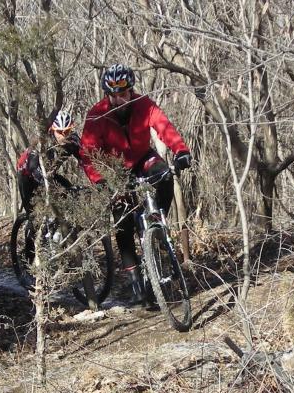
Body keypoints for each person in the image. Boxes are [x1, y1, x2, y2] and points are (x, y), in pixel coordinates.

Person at [79, 64, 192, 302]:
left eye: (124, 93)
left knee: (164, 175)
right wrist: (100, 180)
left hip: (142, 158)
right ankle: (135, 283)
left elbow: (164, 126)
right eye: (114, 95)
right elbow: (87, 154)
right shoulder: (96, 114)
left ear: (131, 90)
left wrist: (180, 150)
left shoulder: (144, 104)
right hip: (115, 170)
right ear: (107, 94)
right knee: (123, 223)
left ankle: (157, 222)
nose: (120, 100)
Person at [16, 110, 83, 213]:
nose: (64, 136)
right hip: (26, 174)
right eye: (59, 132)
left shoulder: (73, 141)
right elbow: (34, 168)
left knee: (71, 192)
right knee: (33, 213)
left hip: (48, 173)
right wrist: (54, 190)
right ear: (52, 129)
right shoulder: (43, 143)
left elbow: (86, 159)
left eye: (67, 131)